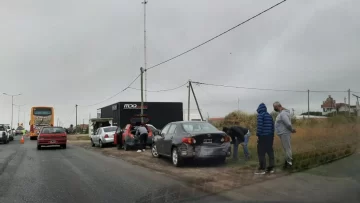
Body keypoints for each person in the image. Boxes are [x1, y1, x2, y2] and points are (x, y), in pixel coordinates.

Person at [273, 101, 296, 169]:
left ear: (277, 106)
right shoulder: (282, 113)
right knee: (286, 148)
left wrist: (291, 130)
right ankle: (287, 162)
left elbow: (288, 124)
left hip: (284, 133)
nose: (274, 109)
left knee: (287, 148)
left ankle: (289, 163)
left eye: (274, 107)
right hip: (283, 133)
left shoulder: (283, 114)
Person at [255, 103, 275, 175]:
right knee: (270, 152)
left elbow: (260, 126)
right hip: (270, 136)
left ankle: (262, 169)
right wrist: (272, 137)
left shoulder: (260, 115)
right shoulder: (269, 116)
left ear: (259, 109)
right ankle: (271, 168)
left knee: (261, 152)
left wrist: (258, 135)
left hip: (263, 136)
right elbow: (273, 127)